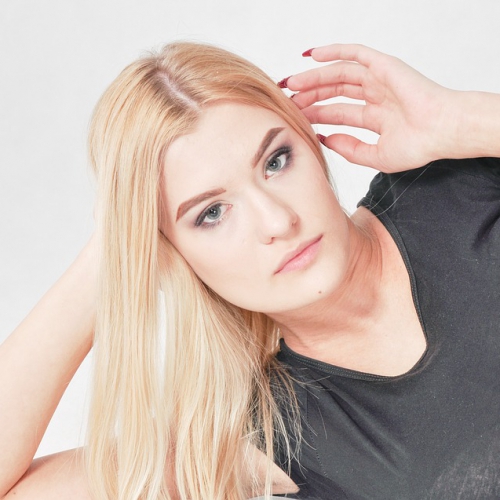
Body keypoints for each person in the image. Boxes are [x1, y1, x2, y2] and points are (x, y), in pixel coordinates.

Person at [0, 41, 499, 499]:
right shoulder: (269, 432)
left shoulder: (459, 184)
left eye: (276, 161)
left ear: (307, 139)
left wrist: (467, 120)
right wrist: (112, 254)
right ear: (172, 251)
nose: (278, 221)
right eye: (212, 213)